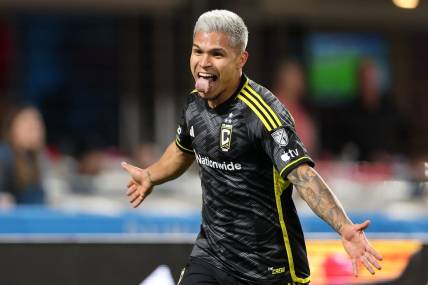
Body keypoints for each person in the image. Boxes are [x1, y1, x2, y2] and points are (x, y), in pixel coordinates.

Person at [121, 10, 382, 285]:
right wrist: (151, 175)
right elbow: (182, 149)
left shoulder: (264, 113)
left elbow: (303, 176)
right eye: (198, 51)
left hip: (268, 268)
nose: (203, 63)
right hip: (211, 255)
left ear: (240, 60)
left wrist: (344, 227)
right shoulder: (194, 104)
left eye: (217, 54)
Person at [0, 105, 46, 204]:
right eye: (27, 125)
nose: (34, 130)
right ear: (12, 128)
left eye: (37, 125)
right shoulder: (4, 156)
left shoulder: (37, 159)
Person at [273, 60, 318, 156]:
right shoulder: (270, 108)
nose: (299, 81)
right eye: (294, 76)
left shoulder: (302, 113)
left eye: (300, 77)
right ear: (282, 79)